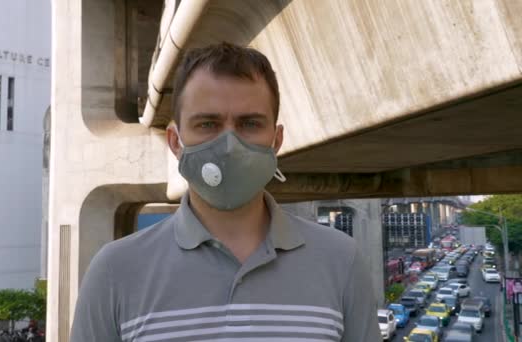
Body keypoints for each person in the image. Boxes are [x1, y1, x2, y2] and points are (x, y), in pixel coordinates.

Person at [70, 42, 381, 341]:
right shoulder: (115, 271)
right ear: (176, 142)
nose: (229, 146)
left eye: (250, 124)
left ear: (276, 139)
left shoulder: (341, 261)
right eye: (207, 124)